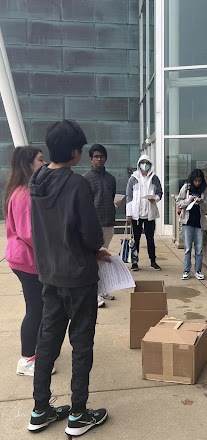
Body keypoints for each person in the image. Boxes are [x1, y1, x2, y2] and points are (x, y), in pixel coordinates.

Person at [27, 120, 110, 435]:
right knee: (81, 343)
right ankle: (78, 413)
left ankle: (40, 409)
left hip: (49, 275)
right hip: (77, 276)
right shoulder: (76, 184)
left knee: (47, 341)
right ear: (76, 152)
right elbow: (91, 237)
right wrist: (96, 251)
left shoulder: (36, 180)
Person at [4, 146, 46, 376]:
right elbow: (29, 233)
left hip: (26, 260)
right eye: (40, 160)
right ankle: (27, 359)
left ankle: (35, 352)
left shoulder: (21, 191)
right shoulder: (24, 194)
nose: (44, 163)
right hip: (26, 261)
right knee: (35, 309)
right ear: (28, 164)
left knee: (38, 307)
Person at [83, 144, 121, 307]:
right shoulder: (85, 178)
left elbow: (111, 197)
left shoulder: (110, 178)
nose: (99, 159)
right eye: (96, 156)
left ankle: (102, 288)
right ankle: (95, 293)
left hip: (108, 222)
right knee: (93, 258)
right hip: (93, 224)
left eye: (102, 156)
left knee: (102, 257)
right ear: (91, 158)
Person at [126, 154, 162, 271]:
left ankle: (153, 261)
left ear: (150, 165)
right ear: (139, 164)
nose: (144, 165)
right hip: (136, 215)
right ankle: (134, 262)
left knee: (150, 239)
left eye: (147, 162)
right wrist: (129, 214)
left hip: (149, 215)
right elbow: (129, 197)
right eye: (143, 162)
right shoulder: (133, 178)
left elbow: (160, 193)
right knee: (135, 239)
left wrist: (155, 198)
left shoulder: (154, 178)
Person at [176, 169, 207, 281]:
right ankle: (186, 271)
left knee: (199, 249)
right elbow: (178, 202)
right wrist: (188, 200)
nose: (197, 183)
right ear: (192, 180)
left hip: (199, 222)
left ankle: (198, 270)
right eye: (195, 181)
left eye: (199, 181)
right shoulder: (186, 187)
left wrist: (201, 202)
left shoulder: (203, 189)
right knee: (187, 248)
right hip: (188, 222)